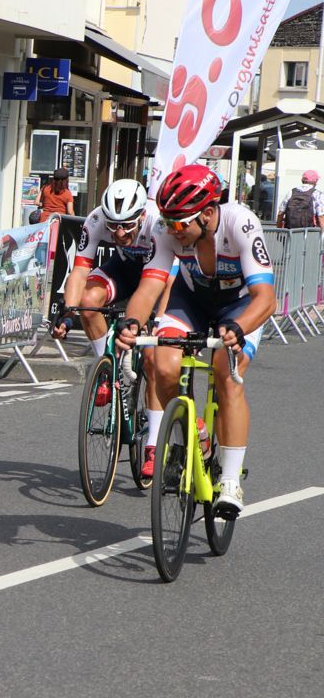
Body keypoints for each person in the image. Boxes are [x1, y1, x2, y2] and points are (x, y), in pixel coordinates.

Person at [116, 164, 275, 515]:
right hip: (191, 302)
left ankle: (230, 480)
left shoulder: (241, 223)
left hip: (240, 306)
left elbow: (266, 299)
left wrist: (238, 329)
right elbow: (150, 287)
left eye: (180, 224)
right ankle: (190, 437)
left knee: (226, 372)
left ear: (206, 213)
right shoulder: (168, 231)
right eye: (168, 222)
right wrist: (132, 323)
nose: (173, 231)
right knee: (162, 364)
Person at [51, 179, 171, 476]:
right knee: (89, 301)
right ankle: (106, 367)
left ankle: (154, 445)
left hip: (160, 277)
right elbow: (80, 270)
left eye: (127, 226)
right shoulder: (95, 220)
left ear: (142, 215)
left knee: (153, 358)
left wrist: (159, 322)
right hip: (125, 269)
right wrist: (68, 313)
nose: (118, 233)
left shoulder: (159, 223)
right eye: (113, 225)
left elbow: (168, 281)